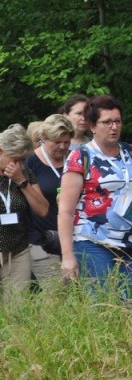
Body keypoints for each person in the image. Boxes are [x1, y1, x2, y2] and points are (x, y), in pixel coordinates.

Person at [58, 96, 132, 297]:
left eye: (117, 121)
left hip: (130, 240)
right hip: (93, 240)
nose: (114, 127)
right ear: (93, 126)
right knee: (102, 303)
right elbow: (66, 211)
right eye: (107, 122)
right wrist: (67, 256)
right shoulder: (81, 156)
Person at [0, 125, 50, 298]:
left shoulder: (23, 173)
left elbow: (43, 210)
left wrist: (21, 181)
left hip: (17, 251)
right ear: (1, 151)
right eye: (15, 159)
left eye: (22, 160)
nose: (19, 165)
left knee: (17, 307)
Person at [24, 115, 75, 284]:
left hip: (77, 238)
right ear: (44, 138)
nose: (62, 147)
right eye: (57, 142)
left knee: (81, 293)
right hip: (44, 241)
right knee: (55, 294)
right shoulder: (30, 163)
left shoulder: (75, 159)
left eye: (66, 142)